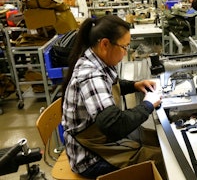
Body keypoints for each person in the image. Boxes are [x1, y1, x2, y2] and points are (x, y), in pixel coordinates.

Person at [61, 15, 166, 179]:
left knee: (160, 141)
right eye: (124, 47)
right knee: (163, 160)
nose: (126, 53)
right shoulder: (91, 75)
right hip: (90, 158)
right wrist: (148, 105)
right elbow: (114, 125)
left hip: (100, 140)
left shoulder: (98, 60)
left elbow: (109, 85)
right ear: (105, 44)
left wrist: (134, 85)